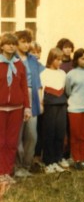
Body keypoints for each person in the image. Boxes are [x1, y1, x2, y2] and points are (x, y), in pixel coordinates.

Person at [0, 33, 30, 181]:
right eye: (8, 43)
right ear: (2, 46)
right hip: (0, 109)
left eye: (13, 44)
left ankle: (7, 172)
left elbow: (24, 87)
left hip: (16, 109)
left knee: (12, 142)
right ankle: (0, 173)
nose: (11, 46)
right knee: (1, 142)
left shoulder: (19, 64)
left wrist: (27, 107)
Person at [14, 30, 41, 178]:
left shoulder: (33, 59)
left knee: (32, 134)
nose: (26, 44)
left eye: (28, 41)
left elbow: (38, 81)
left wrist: (40, 101)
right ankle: (17, 167)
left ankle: (26, 165)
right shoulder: (12, 59)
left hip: (33, 97)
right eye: (23, 41)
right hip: (18, 97)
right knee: (18, 134)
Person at [41, 48, 68, 173]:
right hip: (50, 105)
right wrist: (41, 104)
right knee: (49, 133)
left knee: (60, 133)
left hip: (61, 104)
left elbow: (64, 88)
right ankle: (48, 162)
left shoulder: (62, 73)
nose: (60, 62)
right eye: (57, 59)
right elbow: (41, 91)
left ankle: (57, 159)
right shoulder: (44, 72)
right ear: (51, 59)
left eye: (61, 59)